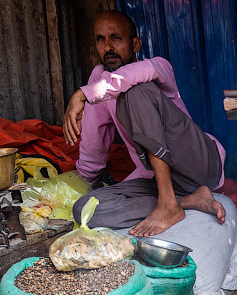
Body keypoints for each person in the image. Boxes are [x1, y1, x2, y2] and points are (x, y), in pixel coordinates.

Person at [64, 10, 226, 236]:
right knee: (85, 209)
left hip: (199, 163)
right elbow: (94, 144)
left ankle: (169, 204)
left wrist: (81, 94)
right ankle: (186, 201)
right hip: (157, 178)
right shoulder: (98, 81)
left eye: (116, 38)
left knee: (135, 90)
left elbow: (128, 77)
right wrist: (74, 184)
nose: (108, 47)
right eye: (100, 39)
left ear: (136, 44)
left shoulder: (158, 67)